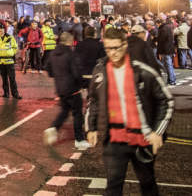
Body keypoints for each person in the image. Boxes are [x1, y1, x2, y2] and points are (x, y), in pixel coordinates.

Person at [86, 27, 174, 196]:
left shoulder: (142, 71)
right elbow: (93, 101)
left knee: (147, 184)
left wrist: (158, 132)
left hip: (142, 138)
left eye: (116, 48)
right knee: (113, 187)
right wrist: (91, 127)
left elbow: (166, 100)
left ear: (125, 45)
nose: (112, 53)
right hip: (114, 140)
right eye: (108, 48)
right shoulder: (100, 70)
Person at [43, 32, 89, 150]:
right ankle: (79, 139)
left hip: (60, 88)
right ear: (69, 41)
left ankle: (53, 128)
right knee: (77, 114)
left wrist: (59, 76)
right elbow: (76, 72)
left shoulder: (53, 53)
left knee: (64, 111)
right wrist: (83, 84)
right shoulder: (70, 54)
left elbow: (48, 69)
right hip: (72, 89)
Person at [0, 22, 20, 99]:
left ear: (4, 30)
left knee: (12, 78)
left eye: (2, 29)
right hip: (1, 61)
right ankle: (6, 93)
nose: (0, 31)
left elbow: (15, 47)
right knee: (4, 79)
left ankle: (15, 94)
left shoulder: (10, 37)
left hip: (9, 61)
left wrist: (11, 53)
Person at [155, 19, 176, 86]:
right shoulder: (169, 27)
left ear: (159, 23)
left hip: (165, 50)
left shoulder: (162, 29)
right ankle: (172, 79)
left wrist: (159, 52)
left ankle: (171, 80)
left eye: (157, 24)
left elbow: (161, 41)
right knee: (169, 65)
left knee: (167, 66)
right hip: (170, 49)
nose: (156, 26)